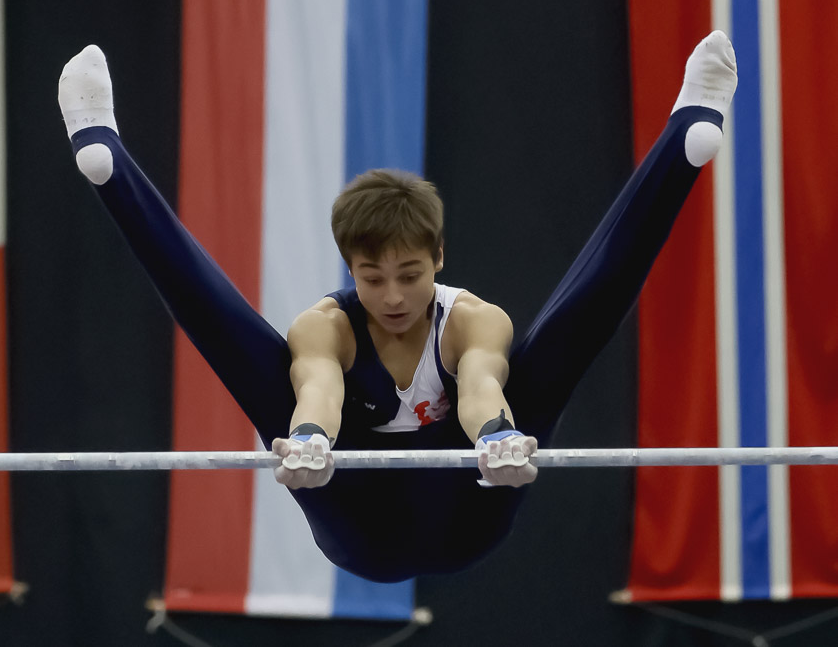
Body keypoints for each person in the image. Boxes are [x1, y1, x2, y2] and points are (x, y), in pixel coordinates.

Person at [58, 31, 737, 582]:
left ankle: (683, 140)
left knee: (559, 347)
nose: (391, 296)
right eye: (371, 277)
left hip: (471, 511)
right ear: (348, 268)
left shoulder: (472, 318)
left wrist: (497, 434)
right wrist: (314, 439)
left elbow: (478, 384)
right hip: (358, 526)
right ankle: (109, 163)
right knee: (246, 351)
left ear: (439, 256)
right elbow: (319, 387)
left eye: (410, 275)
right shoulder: (326, 327)